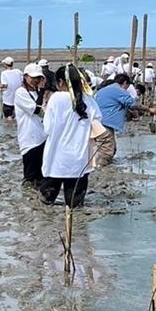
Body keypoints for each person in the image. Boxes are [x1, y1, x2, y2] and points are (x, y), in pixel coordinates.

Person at [40, 65, 102, 207]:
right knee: (75, 204)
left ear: (61, 82)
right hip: (80, 156)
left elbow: (47, 128)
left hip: (57, 156)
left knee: (46, 200)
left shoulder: (56, 98)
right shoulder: (88, 99)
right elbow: (97, 123)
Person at [95, 74, 153, 166]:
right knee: (107, 151)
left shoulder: (103, 90)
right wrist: (149, 109)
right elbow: (133, 104)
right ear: (125, 83)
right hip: (105, 123)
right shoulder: (119, 90)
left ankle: (106, 166)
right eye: (127, 86)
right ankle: (101, 168)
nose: (126, 89)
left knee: (110, 148)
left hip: (97, 122)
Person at [14, 63, 47, 189]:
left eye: (38, 78)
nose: (35, 80)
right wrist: (42, 92)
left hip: (42, 137)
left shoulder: (37, 93)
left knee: (41, 175)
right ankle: (28, 196)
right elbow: (36, 110)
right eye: (33, 78)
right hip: (29, 140)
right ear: (25, 77)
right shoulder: (21, 92)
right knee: (30, 176)